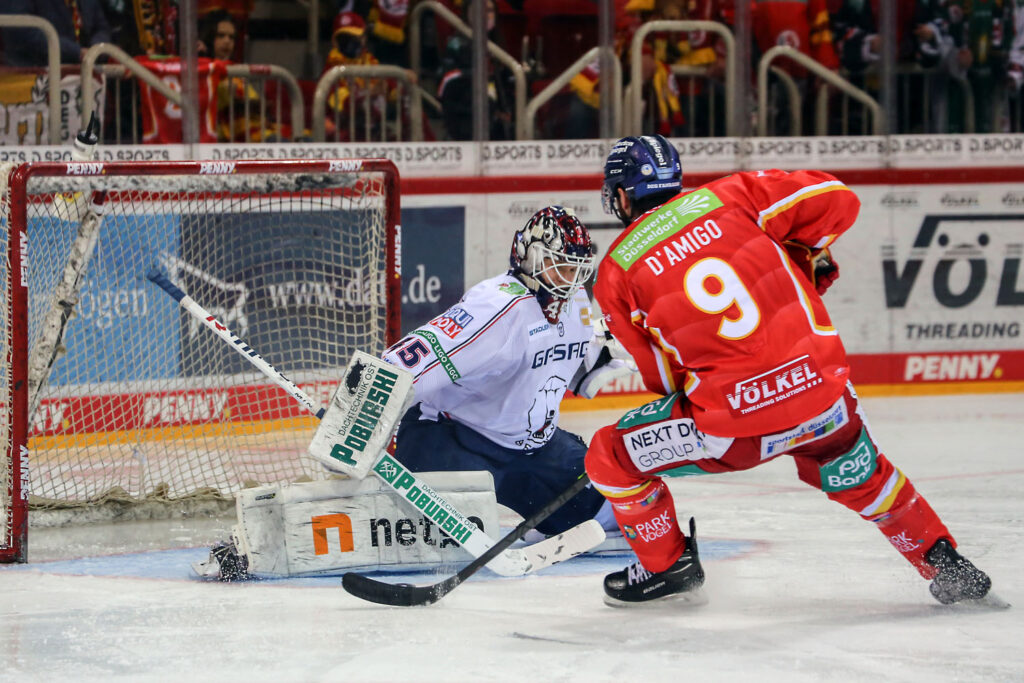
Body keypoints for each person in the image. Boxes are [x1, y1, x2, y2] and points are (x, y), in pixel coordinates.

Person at [584, 134, 995, 607]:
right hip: (821, 397)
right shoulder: (732, 196)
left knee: (609, 457)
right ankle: (945, 562)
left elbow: (664, 380)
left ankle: (665, 568)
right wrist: (805, 253)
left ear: (620, 194)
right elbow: (840, 199)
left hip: (736, 428)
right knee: (865, 475)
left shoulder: (618, 270)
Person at [381, 206, 631, 539]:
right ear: (529, 257)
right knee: (426, 538)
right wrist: (352, 429)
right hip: (455, 440)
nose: (568, 279)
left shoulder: (576, 302)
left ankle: (546, 518)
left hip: (534, 452)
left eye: (575, 270)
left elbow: (575, 366)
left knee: (614, 511)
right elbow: (401, 362)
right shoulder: (496, 306)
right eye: (559, 267)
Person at [2, 0, 112, 67]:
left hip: (85, 82)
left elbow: (101, 27)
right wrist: (76, 52)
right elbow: (19, 32)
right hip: (33, 80)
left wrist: (95, 49)